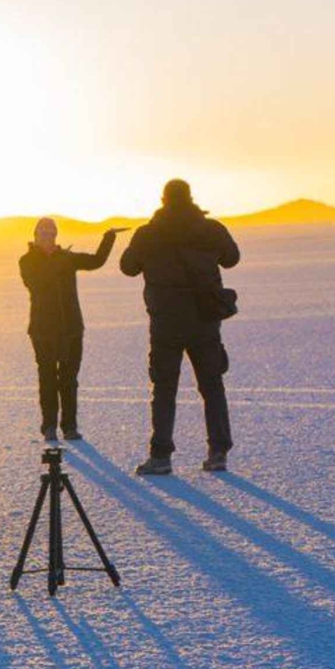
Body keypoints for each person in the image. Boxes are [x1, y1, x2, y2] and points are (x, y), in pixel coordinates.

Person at [119, 179, 240, 474]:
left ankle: (161, 456)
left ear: (163, 200)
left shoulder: (148, 234)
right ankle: (218, 452)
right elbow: (232, 258)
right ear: (190, 197)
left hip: (166, 323)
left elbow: (128, 267)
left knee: (164, 389)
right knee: (212, 386)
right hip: (204, 320)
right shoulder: (210, 229)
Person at [19, 218, 118, 442]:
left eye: (50, 231)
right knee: (47, 379)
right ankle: (49, 426)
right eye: (43, 231)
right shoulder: (27, 260)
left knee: (69, 380)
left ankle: (70, 427)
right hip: (43, 331)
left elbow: (97, 261)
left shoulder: (67, 258)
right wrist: (58, 260)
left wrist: (108, 238)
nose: (47, 234)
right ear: (35, 235)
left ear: (56, 234)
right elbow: (36, 283)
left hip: (71, 329)